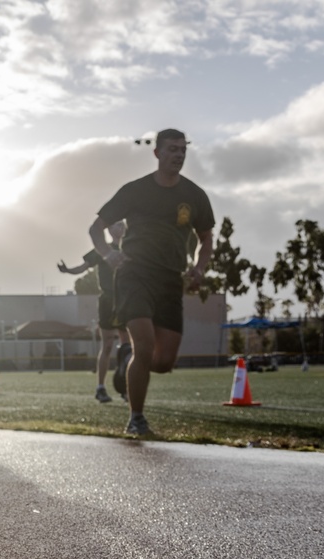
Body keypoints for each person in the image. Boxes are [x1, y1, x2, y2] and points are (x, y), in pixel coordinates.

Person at [89, 128, 214, 436]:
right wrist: (108, 254)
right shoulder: (135, 190)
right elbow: (96, 228)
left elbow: (207, 238)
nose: (179, 155)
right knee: (144, 347)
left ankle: (126, 357)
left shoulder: (195, 196)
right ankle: (136, 418)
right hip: (135, 274)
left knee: (163, 362)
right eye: (172, 149)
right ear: (157, 153)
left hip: (171, 279)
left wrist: (199, 269)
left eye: (183, 150)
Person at [58, 220, 130, 403]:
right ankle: (101, 387)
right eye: (115, 225)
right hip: (107, 300)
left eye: (121, 226)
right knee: (107, 346)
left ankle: (126, 387)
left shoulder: (130, 248)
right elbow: (82, 268)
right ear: (108, 229)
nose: (118, 228)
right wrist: (67, 271)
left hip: (126, 300)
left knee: (127, 347)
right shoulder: (102, 249)